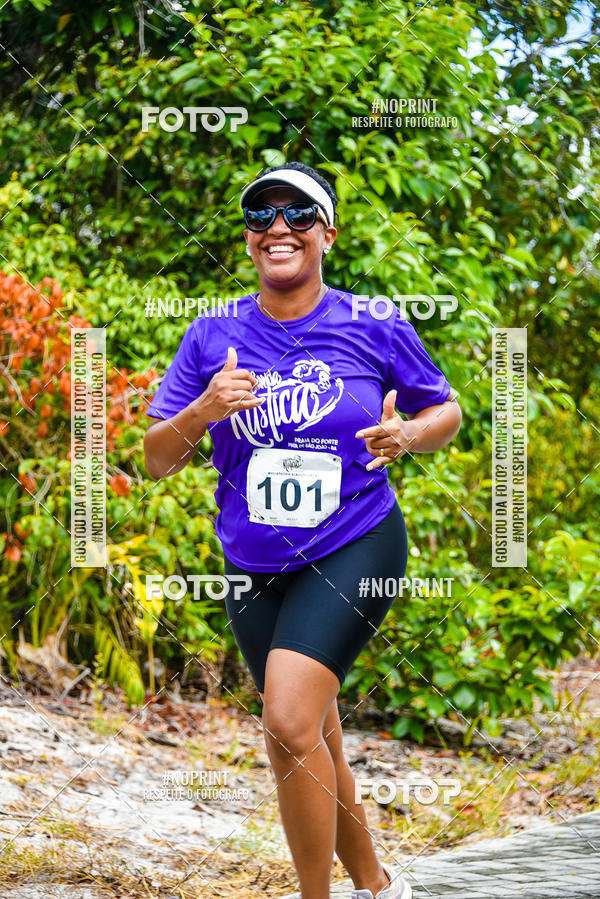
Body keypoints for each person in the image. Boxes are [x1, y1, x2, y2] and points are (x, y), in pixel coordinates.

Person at [144, 161, 461, 899]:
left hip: (356, 538)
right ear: (248, 237)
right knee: (312, 736)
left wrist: (407, 437)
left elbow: (443, 409)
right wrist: (203, 410)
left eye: (298, 214)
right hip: (254, 559)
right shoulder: (211, 332)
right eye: (261, 214)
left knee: (286, 719)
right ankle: (380, 886)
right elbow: (156, 460)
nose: (278, 227)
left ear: (328, 231)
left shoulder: (373, 320)